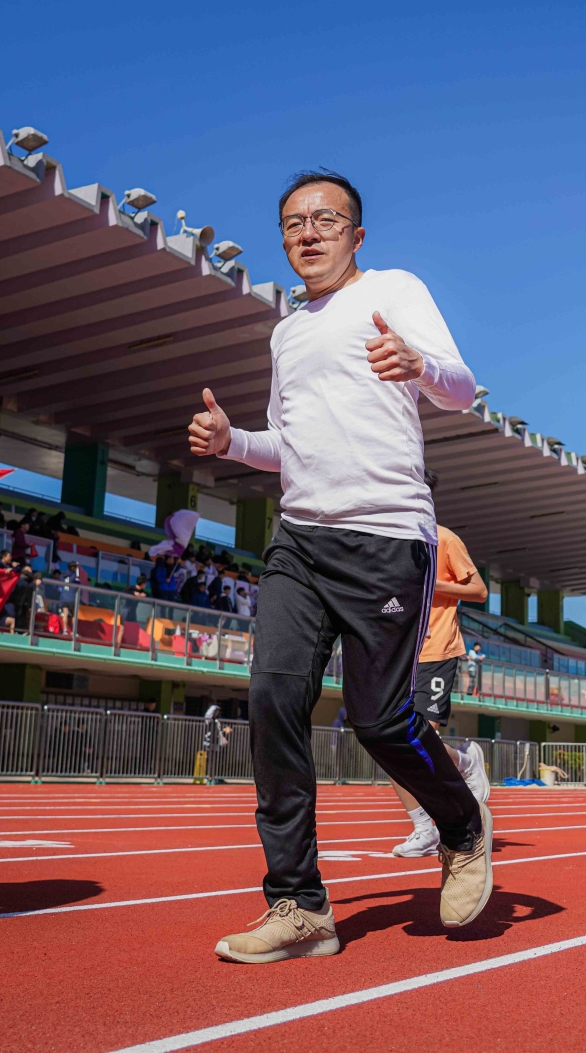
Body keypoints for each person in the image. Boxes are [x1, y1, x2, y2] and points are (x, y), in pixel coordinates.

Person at [189, 168, 490, 962]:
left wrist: (418, 364)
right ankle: (299, 904)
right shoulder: (286, 333)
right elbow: (286, 446)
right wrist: (232, 442)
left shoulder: (393, 289)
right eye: (293, 222)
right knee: (272, 700)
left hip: (386, 537)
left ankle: (461, 824)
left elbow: (461, 390)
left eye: (325, 219)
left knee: (378, 719)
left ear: (357, 234)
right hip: (300, 538)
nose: (308, 232)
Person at [391, 471, 491, 857]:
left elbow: (479, 591)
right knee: (389, 742)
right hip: (398, 653)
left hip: (437, 651)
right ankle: (423, 827)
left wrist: (433, 583)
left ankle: (465, 762)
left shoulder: (444, 539)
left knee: (417, 739)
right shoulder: (388, 540)